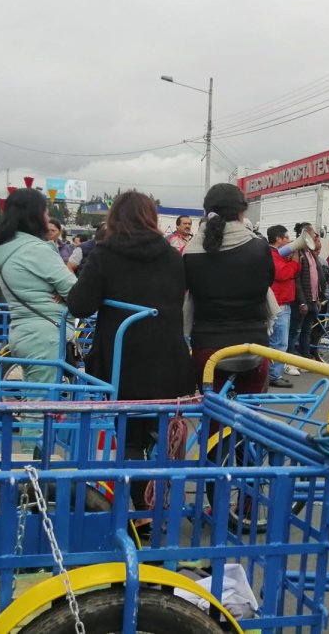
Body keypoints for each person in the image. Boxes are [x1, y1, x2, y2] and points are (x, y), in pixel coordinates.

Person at [67, 192, 194, 511]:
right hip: (169, 357)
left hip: (123, 358)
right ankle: (157, 498)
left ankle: (136, 505)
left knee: (130, 435)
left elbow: (80, 304)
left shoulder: (106, 252)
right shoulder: (171, 255)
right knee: (160, 429)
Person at [183, 184, 274, 394]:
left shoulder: (190, 251)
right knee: (249, 416)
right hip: (254, 345)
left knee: (213, 417)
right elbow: (267, 282)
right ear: (241, 212)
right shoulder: (259, 247)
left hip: (207, 344)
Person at [0, 189, 76, 385]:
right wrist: (63, 295)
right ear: (34, 214)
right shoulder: (36, 249)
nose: (47, 218)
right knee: (41, 408)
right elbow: (74, 291)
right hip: (45, 336)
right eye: (45, 211)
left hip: (22, 332)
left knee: (34, 402)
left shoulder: (7, 247)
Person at [266, 225, 301, 388]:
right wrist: (294, 261)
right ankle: (273, 375)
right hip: (279, 304)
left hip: (281, 302)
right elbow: (283, 274)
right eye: (286, 237)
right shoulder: (272, 256)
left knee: (277, 341)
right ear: (278, 239)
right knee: (279, 342)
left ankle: (273, 373)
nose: (289, 241)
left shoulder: (277, 255)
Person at [289, 222, 324, 360]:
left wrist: (318, 297)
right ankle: (290, 358)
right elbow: (296, 280)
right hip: (303, 301)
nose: (315, 235)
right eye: (313, 233)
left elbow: (316, 277)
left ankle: (305, 356)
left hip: (313, 299)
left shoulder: (310, 253)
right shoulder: (298, 253)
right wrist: (302, 302)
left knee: (306, 331)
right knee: (294, 331)